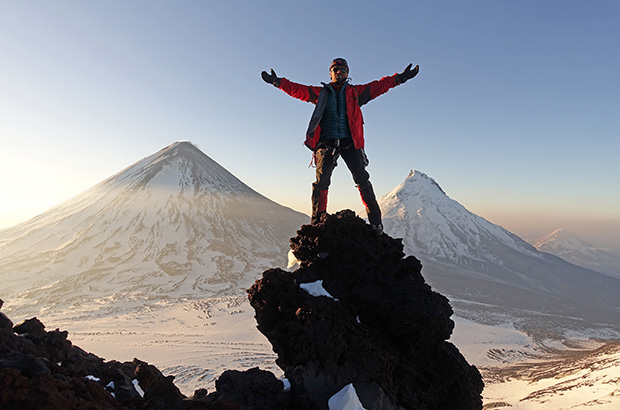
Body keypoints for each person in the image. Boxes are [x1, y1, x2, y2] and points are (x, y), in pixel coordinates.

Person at [261, 58, 419, 235]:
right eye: (335, 70)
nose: (339, 72)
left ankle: (376, 223)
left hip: (351, 142)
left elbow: (379, 86)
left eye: (342, 70)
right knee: (321, 184)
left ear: (347, 73)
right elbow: (299, 90)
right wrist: (277, 82)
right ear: (330, 73)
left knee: (362, 181)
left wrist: (401, 78)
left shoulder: (356, 92)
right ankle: (318, 224)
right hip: (326, 143)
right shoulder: (321, 93)